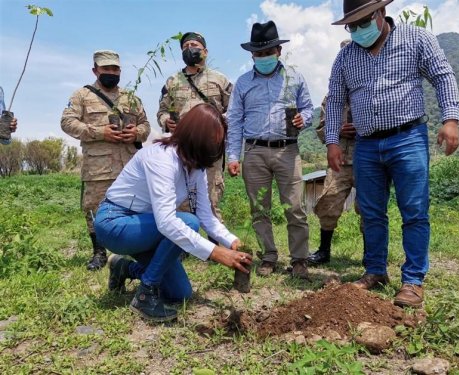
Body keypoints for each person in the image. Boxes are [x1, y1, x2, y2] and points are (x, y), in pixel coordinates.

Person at [326, 0, 459, 307]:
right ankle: (375, 271)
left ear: (380, 14)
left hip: (408, 138)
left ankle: (413, 281)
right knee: (371, 212)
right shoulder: (346, 56)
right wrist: (332, 141)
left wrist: (450, 119)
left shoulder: (416, 39)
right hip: (367, 144)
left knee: (414, 210)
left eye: (364, 21)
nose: (360, 29)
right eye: (353, 25)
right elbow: (335, 100)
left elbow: (443, 76)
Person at [94, 104, 252, 322]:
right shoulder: (162, 158)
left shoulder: (195, 165)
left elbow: (205, 214)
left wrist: (232, 242)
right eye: (213, 141)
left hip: (145, 228)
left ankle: (125, 268)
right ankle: (145, 294)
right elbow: (167, 223)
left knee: (181, 293)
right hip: (115, 223)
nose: (216, 147)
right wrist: (216, 252)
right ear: (196, 136)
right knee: (186, 221)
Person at [226, 20, 314, 279]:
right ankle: (269, 255)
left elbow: (307, 108)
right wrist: (233, 156)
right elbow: (234, 121)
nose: (264, 57)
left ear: (278, 52)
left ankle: (299, 259)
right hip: (254, 152)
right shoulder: (242, 83)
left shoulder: (294, 77)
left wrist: (303, 119)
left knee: (295, 207)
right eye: (259, 54)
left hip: (287, 151)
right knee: (259, 208)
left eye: (268, 53)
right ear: (252, 55)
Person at [61, 50, 151, 271]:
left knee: (135, 207)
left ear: (120, 71)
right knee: (93, 208)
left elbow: (146, 126)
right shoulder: (82, 95)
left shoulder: (130, 98)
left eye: (115, 69)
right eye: (106, 69)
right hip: (98, 167)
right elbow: (67, 122)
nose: (111, 72)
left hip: (129, 166)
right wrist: (100, 132)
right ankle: (99, 252)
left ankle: (135, 249)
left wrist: (136, 133)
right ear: (95, 70)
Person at [157, 32, 232, 237]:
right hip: (181, 147)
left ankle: (216, 241)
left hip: (210, 148)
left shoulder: (220, 80)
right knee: (179, 194)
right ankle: (183, 241)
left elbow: (234, 110)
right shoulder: (172, 81)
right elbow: (162, 111)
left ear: (205, 52)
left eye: (195, 45)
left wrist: (219, 123)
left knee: (210, 196)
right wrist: (166, 121)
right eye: (186, 45)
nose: (190, 48)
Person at [307, 40, 363, 266]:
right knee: (328, 202)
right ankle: (324, 250)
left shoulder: (371, 91)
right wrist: (338, 131)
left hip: (367, 158)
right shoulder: (331, 98)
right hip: (339, 161)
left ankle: (371, 255)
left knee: (368, 208)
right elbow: (321, 128)